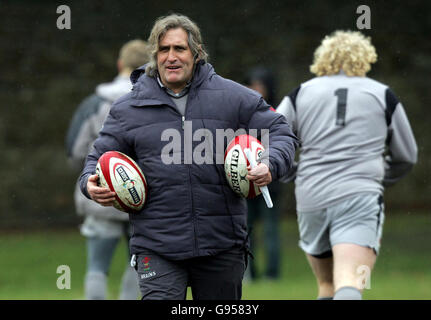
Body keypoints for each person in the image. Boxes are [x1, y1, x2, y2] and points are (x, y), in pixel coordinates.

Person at [79, 13, 298, 300]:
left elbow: (281, 131)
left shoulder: (232, 97)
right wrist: (90, 183)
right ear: (154, 55)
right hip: (157, 248)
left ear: (196, 54)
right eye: (163, 49)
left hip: (221, 245)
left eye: (179, 49)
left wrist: (271, 163)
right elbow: (98, 157)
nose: (171, 57)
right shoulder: (127, 108)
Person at [276, 30, 418, 300]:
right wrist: (377, 175)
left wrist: (293, 172)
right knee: (350, 282)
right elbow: (407, 155)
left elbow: (271, 141)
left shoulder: (300, 93)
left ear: (322, 59)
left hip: (311, 197)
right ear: (365, 59)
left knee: (327, 286)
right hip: (359, 196)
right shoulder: (382, 93)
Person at [66, 39, 150, 299]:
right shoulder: (153, 101)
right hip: (143, 197)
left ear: (120, 64)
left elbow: (75, 150)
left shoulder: (94, 103)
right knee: (137, 264)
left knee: (97, 267)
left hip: (101, 197)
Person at [244, 66, 281, 281]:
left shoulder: (274, 114)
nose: (255, 90)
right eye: (252, 85)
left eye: (259, 85)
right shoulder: (241, 113)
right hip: (247, 180)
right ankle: (250, 272)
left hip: (270, 182)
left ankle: (272, 274)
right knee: (246, 229)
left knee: (269, 230)